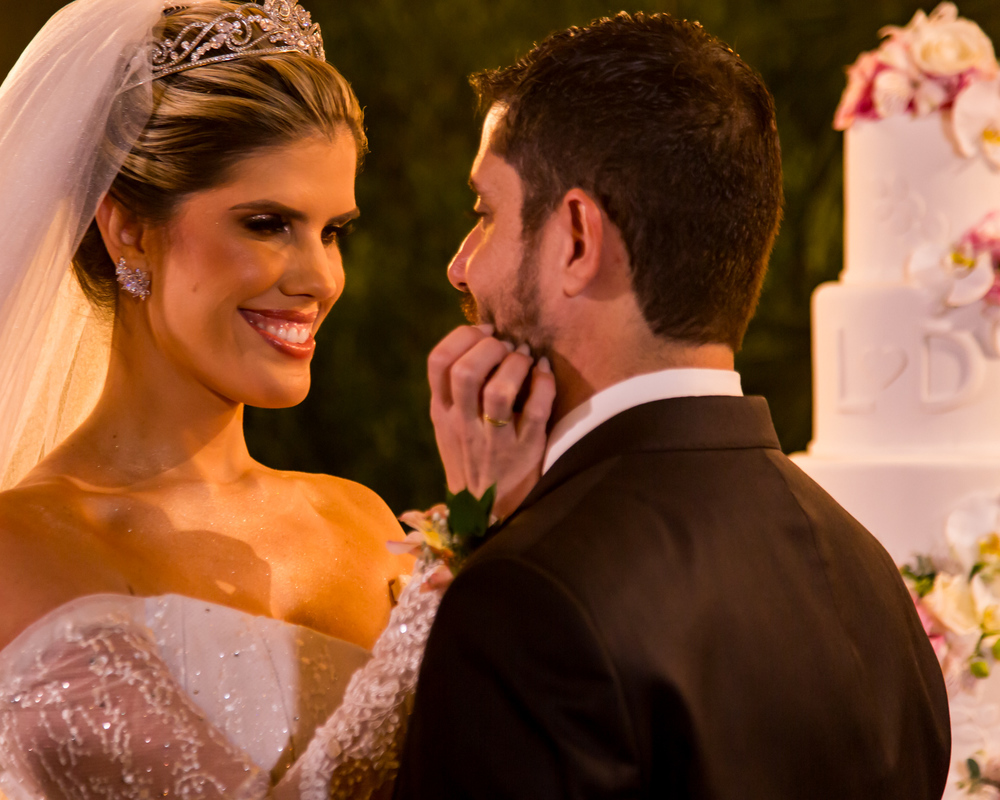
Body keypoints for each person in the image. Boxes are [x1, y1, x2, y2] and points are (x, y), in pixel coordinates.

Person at [0, 1, 495, 797]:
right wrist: (457, 558)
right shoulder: (9, 547)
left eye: (332, 231)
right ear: (129, 229)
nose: (320, 278)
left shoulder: (363, 523)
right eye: (267, 223)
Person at [395, 12, 952, 799]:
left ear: (577, 239)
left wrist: (487, 534)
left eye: (484, 213)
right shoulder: (870, 577)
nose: (462, 267)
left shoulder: (525, 596)